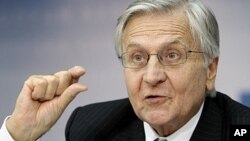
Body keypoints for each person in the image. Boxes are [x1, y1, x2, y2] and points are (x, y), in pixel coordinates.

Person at [1, 0, 250, 141]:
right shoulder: (91, 128)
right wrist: (20, 134)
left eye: (172, 55)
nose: (152, 76)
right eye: (138, 57)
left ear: (210, 69)